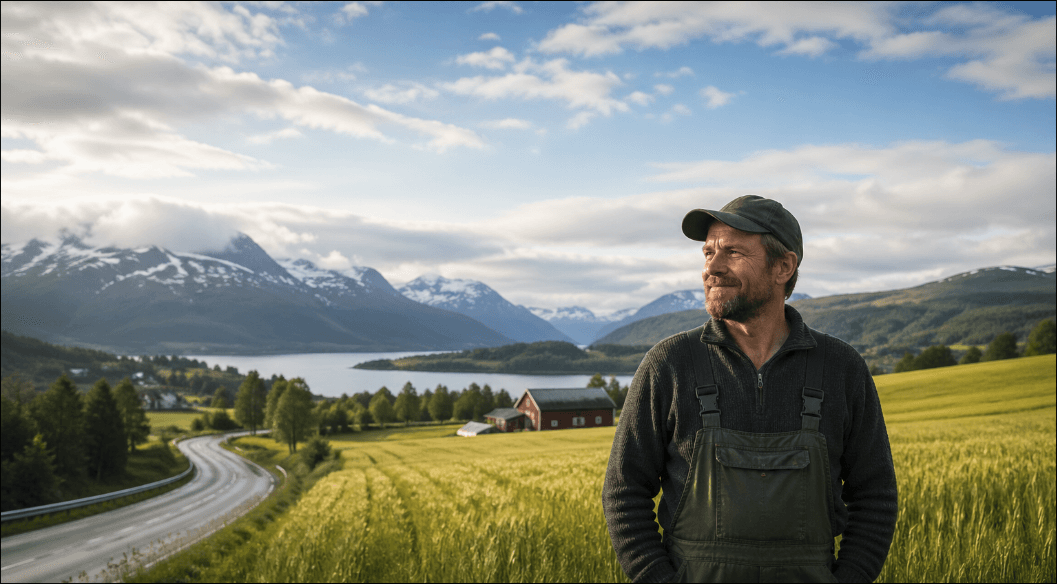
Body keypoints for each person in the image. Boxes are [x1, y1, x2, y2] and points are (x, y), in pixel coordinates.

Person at [602, 195, 897, 582]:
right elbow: (623, 493)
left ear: (784, 267)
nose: (712, 267)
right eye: (708, 252)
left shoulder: (841, 369)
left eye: (733, 252)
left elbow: (875, 497)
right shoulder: (670, 363)